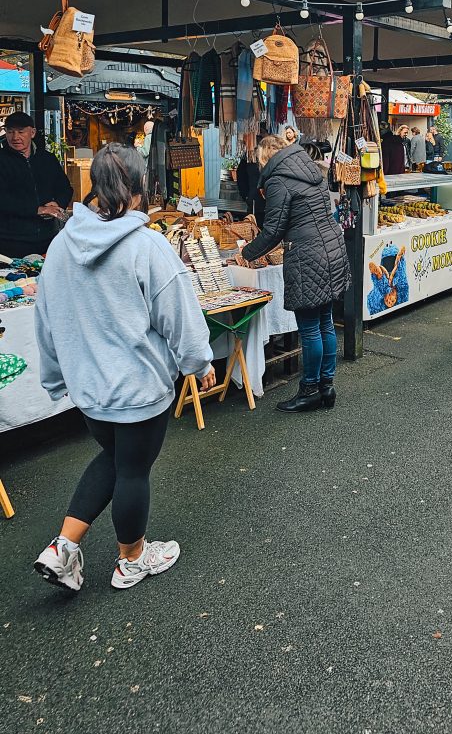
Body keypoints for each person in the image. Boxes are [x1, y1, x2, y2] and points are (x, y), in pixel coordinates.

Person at [33, 144, 214, 593]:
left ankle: (63, 547)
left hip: (89, 388)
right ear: (138, 189)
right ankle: (131, 558)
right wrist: (198, 362)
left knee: (114, 458)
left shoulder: (60, 246)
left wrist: (56, 377)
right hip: (137, 386)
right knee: (132, 469)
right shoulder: (146, 245)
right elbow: (179, 312)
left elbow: (46, 318)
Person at [242, 135, 350, 412]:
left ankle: (310, 390)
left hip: (308, 254)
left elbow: (274, 229)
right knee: (325, 321)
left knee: (310, 327)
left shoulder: (278, 179)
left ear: (266, 158)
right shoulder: (310, 169)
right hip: (331, 248)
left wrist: (245, 254)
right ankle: (327, 387)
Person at [0, 111, 73, 259]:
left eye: (21, 132)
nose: (15, 137)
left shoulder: (47, 159)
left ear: (32, 133)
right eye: (10, 132)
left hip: (48, 238)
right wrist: (37, 210)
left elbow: (65, 188)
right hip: (10, 241)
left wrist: (57, 203)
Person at [236, 151, 266, 226]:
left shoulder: (250, 155)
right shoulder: (250, 155)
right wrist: (246, 195)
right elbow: (240, 174)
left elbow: (240, 174)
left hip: (257, 199)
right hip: (255, 200)